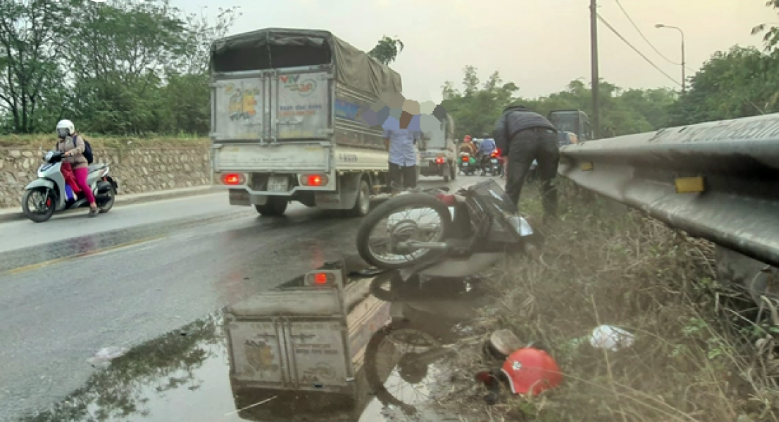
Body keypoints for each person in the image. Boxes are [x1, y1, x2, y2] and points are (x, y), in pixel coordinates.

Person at [493, 104, 560, 220]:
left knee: (514, 181)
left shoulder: (506, 115)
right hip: (549, 136)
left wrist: (503, 155)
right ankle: (551, 217)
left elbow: (498, 131)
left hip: (523, 137)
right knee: (549, 181)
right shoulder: (535, 115)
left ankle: (509, 218)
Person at [56, 119, 98, 217]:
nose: (61, 133)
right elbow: (57, 153)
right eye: (59, 131)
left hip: (79, 164)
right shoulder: (60, 143)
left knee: (81, 183)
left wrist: (71, 152)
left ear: (69, 129)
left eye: (63, 131)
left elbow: (81, 148)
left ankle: (93, 205)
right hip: (67, 167)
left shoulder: (77, 138)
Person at [382, 99, 422, 190]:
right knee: (394, 187)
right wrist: (390, 151)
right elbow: (386, 138)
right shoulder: (390, 121)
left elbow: (415, 139)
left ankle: (409, 203)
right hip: (394, 159)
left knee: (411, 188)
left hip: (409, 159)